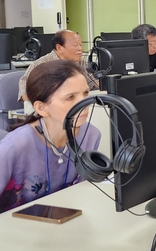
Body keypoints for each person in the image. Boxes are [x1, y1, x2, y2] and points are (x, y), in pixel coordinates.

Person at [1, 60, 101, 213]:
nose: (84, 103)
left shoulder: (90, 135)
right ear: (42, 108)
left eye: (85, 93)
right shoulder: (13, 148)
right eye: (70, 97)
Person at [17, 30, 98, 102]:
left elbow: (93, 82)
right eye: (75, 45)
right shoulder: (42, 64)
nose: (80, 49)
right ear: (59, 48)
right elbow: (24, 86)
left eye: (80, 45)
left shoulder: (79, 63)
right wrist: (32, 109)